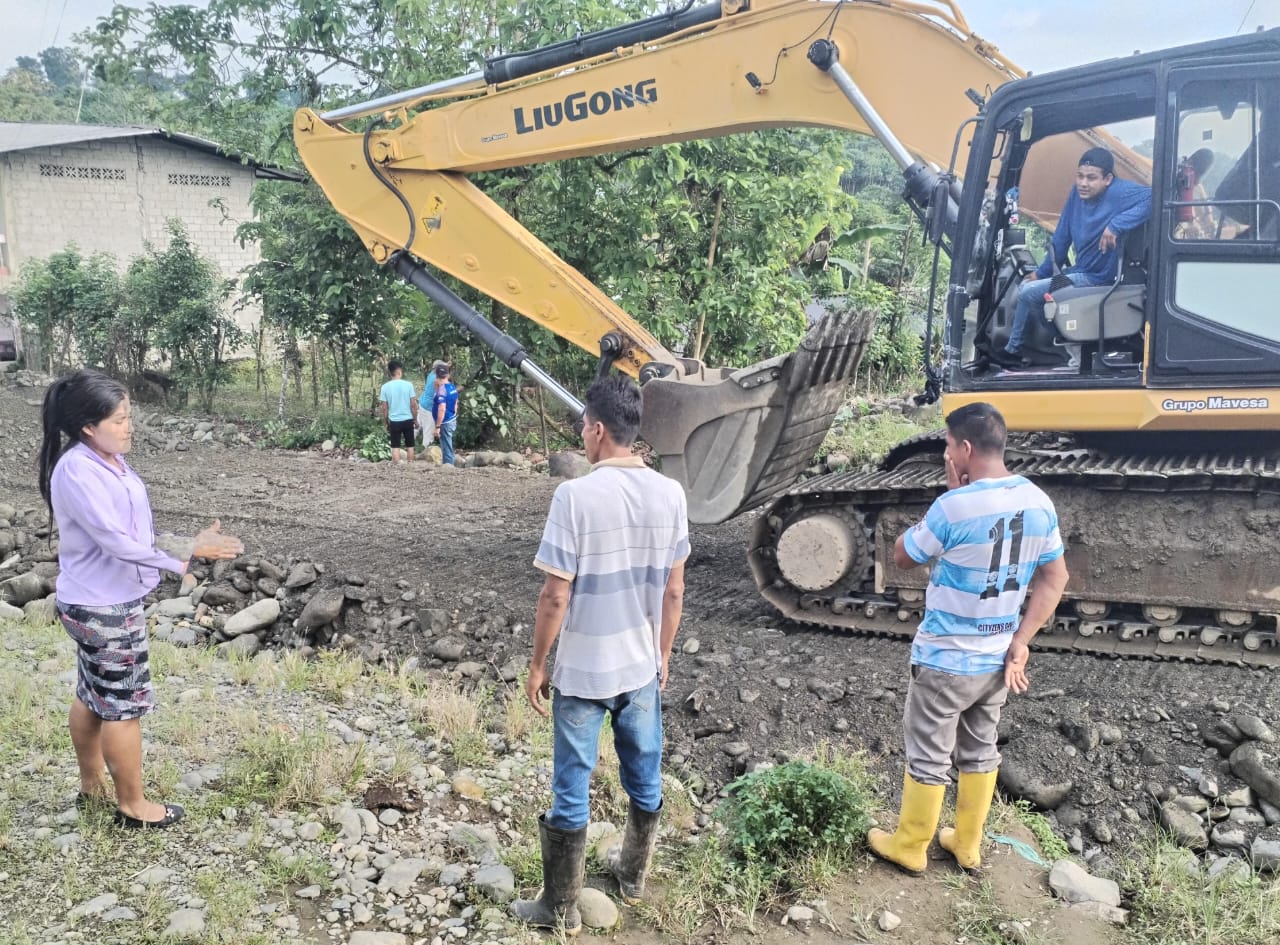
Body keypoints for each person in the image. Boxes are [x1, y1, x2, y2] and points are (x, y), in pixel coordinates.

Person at [511, 374, 689, 934]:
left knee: (572, 783)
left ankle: (559, 908)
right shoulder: (671, 493)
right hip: (640, 669)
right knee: (645, 771)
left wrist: (538, 665)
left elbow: (555, 594)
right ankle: (633, 875)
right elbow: (675, 590)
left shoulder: (575, 496)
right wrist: (662, 654)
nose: (583, 436)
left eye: (584, 427)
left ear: (597, 430)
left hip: (584, 673)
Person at [867, 403, 1069, 875]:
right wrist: (1022, 640)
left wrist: (950, 493)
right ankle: (967, 844)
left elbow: (903, 556)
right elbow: (1055, 577)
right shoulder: (1039, 501)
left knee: (929, 753)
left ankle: (911, 845)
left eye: (947, 445)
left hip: (945, 660)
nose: (946, 452)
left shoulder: (953, 506)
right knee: (980, 748)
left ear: (964, 448)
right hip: (997, 659)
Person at [38, 369, 243, 829]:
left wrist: (185, 542)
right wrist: (187, 551)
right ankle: (133, 806)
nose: (129, 426)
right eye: (119, 419)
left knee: (93, 694)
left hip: (97, 600)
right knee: (123, 708)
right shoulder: (79, 470)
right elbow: (115, 541)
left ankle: (92, 786)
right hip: (104, 607)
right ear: (88, 426)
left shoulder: (107, 460)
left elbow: (133, 532)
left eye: (129, 416)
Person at [998, 147, 1151, 366]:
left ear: (1108, 179)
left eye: (1091, 178)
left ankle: (1012, 352)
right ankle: (1074, 347)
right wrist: (1041, 273)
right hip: (1079, 272)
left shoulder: (1119, 192)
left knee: (1028, 293)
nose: (1083, 183)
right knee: (1031, 290)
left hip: (1098, 277)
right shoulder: (1076, 195)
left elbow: (1156, 197)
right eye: (1080, 176)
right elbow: (1061, 238)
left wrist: (1117, 225)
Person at [1174, 148, 1218, 241]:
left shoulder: (1199, 188)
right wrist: (1192, 224)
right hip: (1179, 234)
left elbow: (1207, 212)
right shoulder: (1178, 183)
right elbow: (1186, 216)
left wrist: (1211, 224)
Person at [379, 360, 417, 464]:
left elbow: (384, 408)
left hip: (394, 421)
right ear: (399, 371)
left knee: (395, 445)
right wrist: (415, 419)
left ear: (390, 372)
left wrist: (386, 422)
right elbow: (413, 405)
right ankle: (410, 464)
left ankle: (396, 466)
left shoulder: (385, 387)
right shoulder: (409, 385)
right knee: (410, 445)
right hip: (408, 419)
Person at [432, 363, 460, 467]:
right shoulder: (452, 387)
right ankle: (448, 464)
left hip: (445, 422)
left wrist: (438, 426)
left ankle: (448, 468)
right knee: (447, 444)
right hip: (451, 418)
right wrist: (454, 414)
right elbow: (456, 403)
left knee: (446, 446)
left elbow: (442, 408)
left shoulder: (442, 390)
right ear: (448, 375)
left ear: (436, 375)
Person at [417, 360, 447, 451]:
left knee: (417, 426)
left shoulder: (431, 374)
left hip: (423, 403)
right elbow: (445, 393)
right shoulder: (437, 380)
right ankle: (426, 452)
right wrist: (458, 390)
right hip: (429, 408)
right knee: (428, 433)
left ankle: (407, 445)